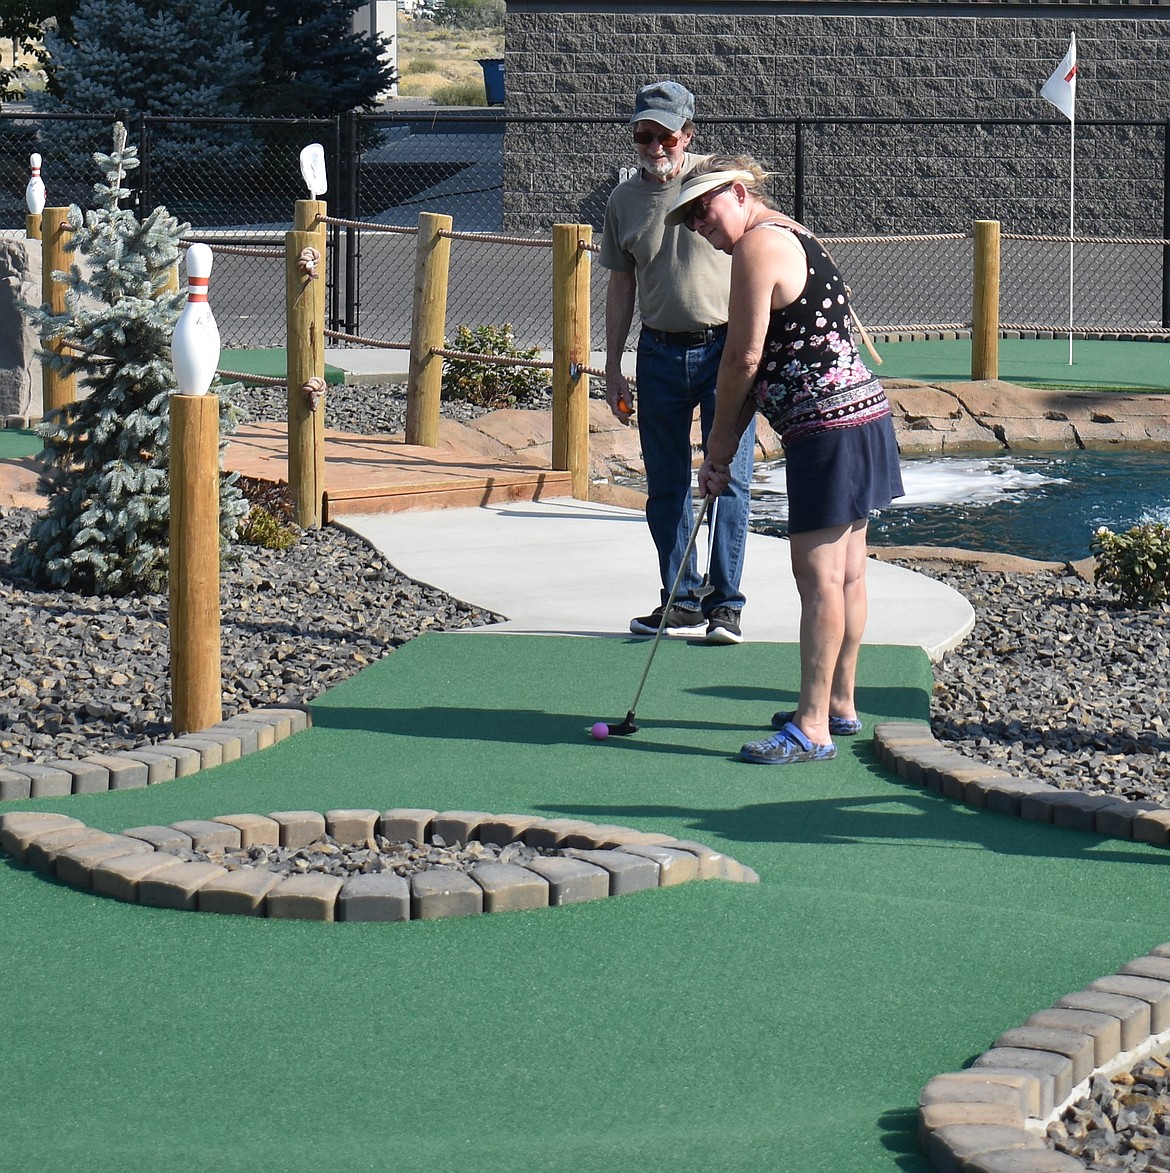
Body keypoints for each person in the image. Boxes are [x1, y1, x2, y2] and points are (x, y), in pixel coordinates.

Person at [668, 153, 905, 765]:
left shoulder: (755, 247)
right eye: (690, 219)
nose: (700, 224)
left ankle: (811, 727)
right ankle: (840, 704)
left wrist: (717, 448)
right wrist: (722, 447)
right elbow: (762, 362)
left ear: (740, 193)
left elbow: (741, 362)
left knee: (819, 578)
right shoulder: (795, 231)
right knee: (848, 573)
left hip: (825, 430)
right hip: (863, 418)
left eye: (705, 208)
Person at [599, 81, 757, 645]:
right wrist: (614, 366)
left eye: (665, 135)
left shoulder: (717, 187)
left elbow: (760, 244)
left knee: (729, 482)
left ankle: (726, 605)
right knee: (666, 485)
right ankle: (681, 599)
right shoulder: (622, 201)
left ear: (687, 135)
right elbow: (622, 286)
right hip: (658, 353)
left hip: (725, 351)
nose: (654, 145)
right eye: (643, 134)